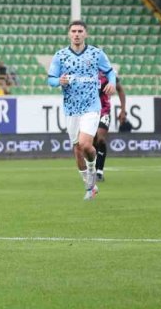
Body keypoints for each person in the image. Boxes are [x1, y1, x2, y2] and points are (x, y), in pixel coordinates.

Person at [47, 20, 116, 200]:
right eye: (73, 31)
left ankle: (93, 171)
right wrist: (58, 81)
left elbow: (110, 72)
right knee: (78, 150)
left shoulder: (96, 53)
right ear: (69, 34)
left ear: (85, 34)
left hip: (91, 107)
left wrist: (113, 83)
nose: (76, 34)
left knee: (86, 144)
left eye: (80, 31)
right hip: (71, 109)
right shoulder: (60, 56)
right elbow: (51, 79)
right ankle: (90, 187)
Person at [94, 73, 127, 182]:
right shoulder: (86, 69)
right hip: (89, 113)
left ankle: (99, 172)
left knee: (101, 139)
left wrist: (123, 110)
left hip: (104, 112)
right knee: (92, 142)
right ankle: (94, 169)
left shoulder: (108, 72)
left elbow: (120, 90)